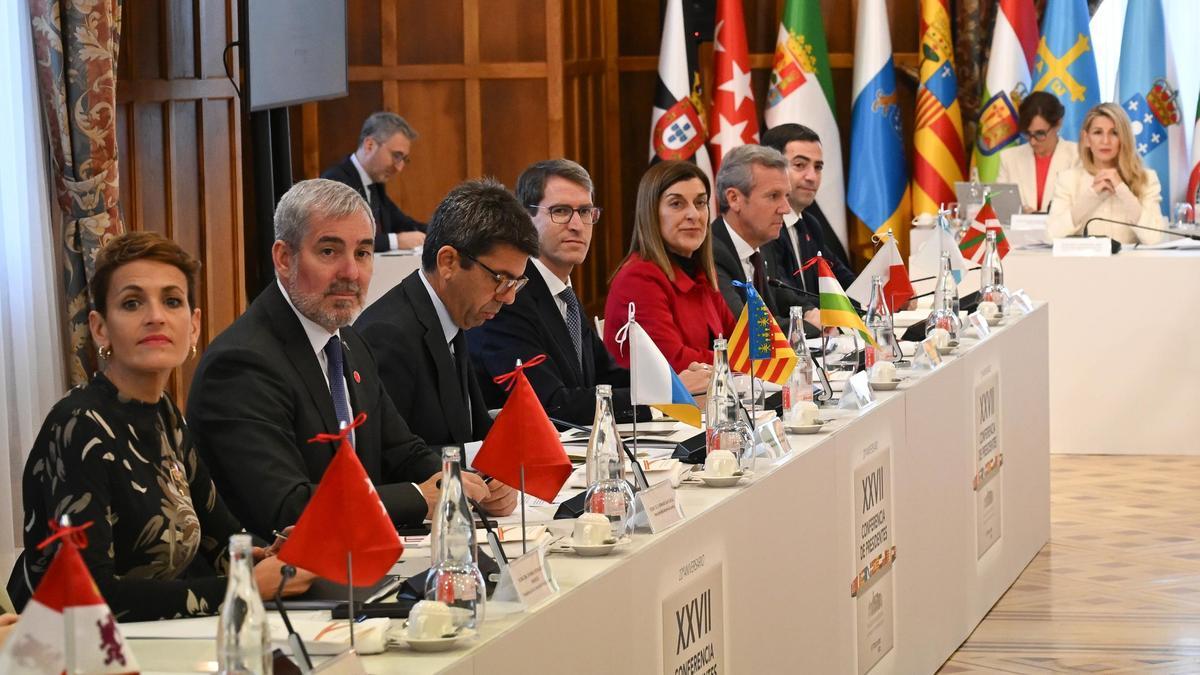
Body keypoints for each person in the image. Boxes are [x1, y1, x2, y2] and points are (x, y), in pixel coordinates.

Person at [7, 233, 312, 621]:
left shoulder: (164, 412)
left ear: (194, 324)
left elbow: (220, 536)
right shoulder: (79, 425)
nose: (156, 316)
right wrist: (243, 586)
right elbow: (88, 597)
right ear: (100, 329)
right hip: (68, 651)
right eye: (132, 303)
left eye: (172, 301)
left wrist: (269, 556)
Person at [187, 179, 512, 540]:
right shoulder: (240, 365)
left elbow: (401, 451)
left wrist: (470, 484)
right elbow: (286, 508)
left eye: (362, 253)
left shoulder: (348, 342)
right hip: (282, 580)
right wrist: (421, 497)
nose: (350, 273)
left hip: (361, 560)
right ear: (283, 258)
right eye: (329, 251)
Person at [470, 160, 693, 424]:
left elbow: (607, 376)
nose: (577, 225)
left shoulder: (563, 293)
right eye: (561, 211)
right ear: (524, 218)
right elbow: (550, 405)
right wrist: (662, 398)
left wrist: (674, 384)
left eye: (585, 212)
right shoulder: (509, 296)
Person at [356, 177, 535, 467]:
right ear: (448, 262)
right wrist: (483, 461)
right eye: (501, 279)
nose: (509, 298)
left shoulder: (452, 314)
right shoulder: (388, 335)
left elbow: (472, 430)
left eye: (516, 282)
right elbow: (387, 461)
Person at [604, 160, 735, 373]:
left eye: (700, 203)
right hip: (659, 405)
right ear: (651, 213)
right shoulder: (638, 278)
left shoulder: (700, 273)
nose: (694, 214)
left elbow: (743, 343)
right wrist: (739, 362)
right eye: (677, 204)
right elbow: (674, 362)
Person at [709, 144, 820, 338]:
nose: (785, 209)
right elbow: (748, 329)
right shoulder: (712, 253)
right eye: (773, 196)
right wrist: (810, 326)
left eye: (786, 195)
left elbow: (780, 296)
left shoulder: (763, 245)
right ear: (734, 198)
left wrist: (811, 312)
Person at [1047, 102, 1164, 244]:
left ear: (1124, 138)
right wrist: (1091, 195)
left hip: (1130, 265)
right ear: (1086, 139)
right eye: (1097, 132)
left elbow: (1155, 239)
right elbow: (1050, 236)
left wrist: (1122, 190)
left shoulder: (1146, 179)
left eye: (1114, 133)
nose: (1105, 141)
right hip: (1082, 265)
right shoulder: (1068, 180)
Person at [760, 124, 856, 291]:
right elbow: (781, 296)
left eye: (818, 167)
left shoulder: (810, 226)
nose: (812, 177)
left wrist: (884, 292)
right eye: (799, 165)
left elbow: (843, 282)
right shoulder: (763, 227)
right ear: (770, 168)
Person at [321, 112, 426, 252]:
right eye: (396, 156)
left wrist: (440, 233)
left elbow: (404, 223)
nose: (399, 167)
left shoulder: (375, 184)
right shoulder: (335, 181)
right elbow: (345, 238)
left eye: (404, 159)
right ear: (369, 145)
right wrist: (396, 241)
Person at [996, 91, 1079, 213]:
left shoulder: (1077, 156)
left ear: (1058, 123)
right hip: (1018, 232)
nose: (1033, 142)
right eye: (1028, 134)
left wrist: (1036, 217)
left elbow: (1080, 207)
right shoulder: (1009, 158)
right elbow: (1000, 206)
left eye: (1040, 134)